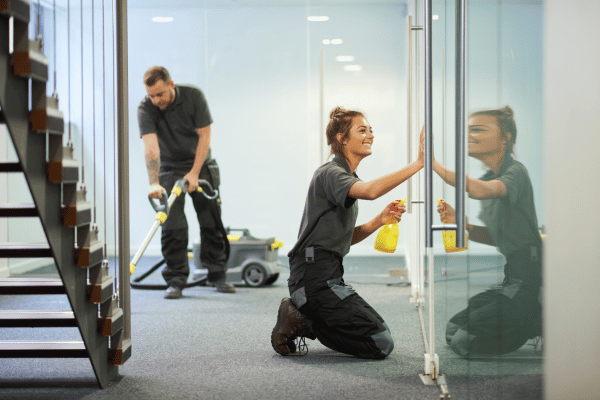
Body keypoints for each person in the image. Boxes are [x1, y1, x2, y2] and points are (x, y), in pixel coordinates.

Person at [271, 107, 424, 359]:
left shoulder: (345, 176)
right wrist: (418, 163)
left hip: (329, 275)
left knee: (380, 333)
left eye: (371, 130)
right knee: (380, 344)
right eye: (362, 130)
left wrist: (378, 221)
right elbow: (371, 191)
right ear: (342, 138)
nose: (370, 135)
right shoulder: (331, 172)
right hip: (312, 279)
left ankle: (305, 315)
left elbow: (340, 238)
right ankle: (301, 319)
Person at [434, 106, 542, 357]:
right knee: (453, 330)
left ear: (504, 136)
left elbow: (480, 189)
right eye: (469, 129)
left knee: (464, 343)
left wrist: (433, 165)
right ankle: (528, 316)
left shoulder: (516, 172)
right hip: (511, 278)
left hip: (529, 280)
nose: (469, 135)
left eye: (478, 129)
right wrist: (466, 226)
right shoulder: (490, 176)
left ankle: (536, 319)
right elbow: (500, 237)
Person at [137, 66, 235, 299]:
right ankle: (176, 280)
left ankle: (217, 275)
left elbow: (205, 136)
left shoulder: (193, 96)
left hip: (200, 164)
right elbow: (151, 147)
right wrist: (153, 182)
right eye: (152, 95)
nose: (156, 99)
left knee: (211, 222)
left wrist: (194, 173)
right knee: (172, 227)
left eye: (160, 94)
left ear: (171, 85)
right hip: (169, 168)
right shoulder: (146, 107)